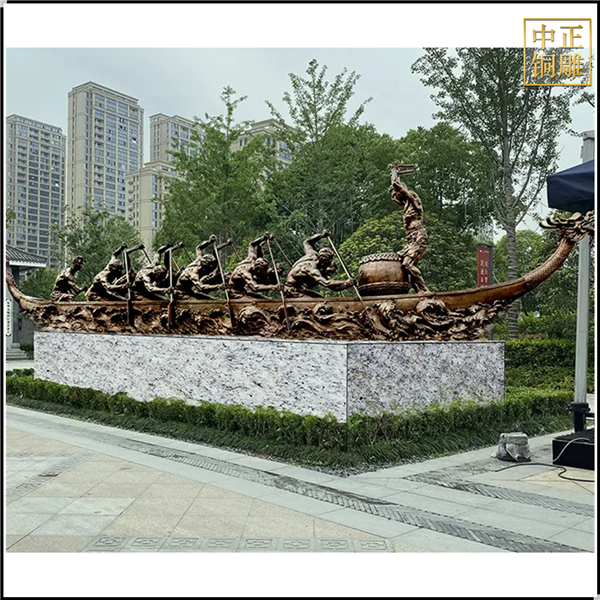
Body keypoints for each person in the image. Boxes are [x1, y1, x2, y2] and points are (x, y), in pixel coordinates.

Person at [389, 162, 430, 293]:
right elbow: (396, 190)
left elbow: (396, 185)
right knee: (404, 265)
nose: (394, 198)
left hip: (419, 237)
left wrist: (394, 171)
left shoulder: (412, 197)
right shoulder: (406, 205)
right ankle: (418, 290)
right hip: (411, 240)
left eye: (395, 194)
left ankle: (424, 290)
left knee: (407, 264)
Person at [284, 230, 354, 298]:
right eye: (329, 267)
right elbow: (326, 283)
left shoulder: (312, 254)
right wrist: (346, 282)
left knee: (322, 299)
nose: (330, 273)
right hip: (291, 290)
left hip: (301, 289)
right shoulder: (311, 269)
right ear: (324, 264)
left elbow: (307, 242)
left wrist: (321, 235)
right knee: (320, 303)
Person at [228, 233, 283, 299]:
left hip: (243, 290)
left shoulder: (251, 259)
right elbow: (255, 287)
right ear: (257, 270)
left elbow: (252, 245)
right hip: (234, 293)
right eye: (261, 272)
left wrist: (263, 238)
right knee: (257, 303)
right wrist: (274, 287)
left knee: (266, 299)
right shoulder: (245, 273)